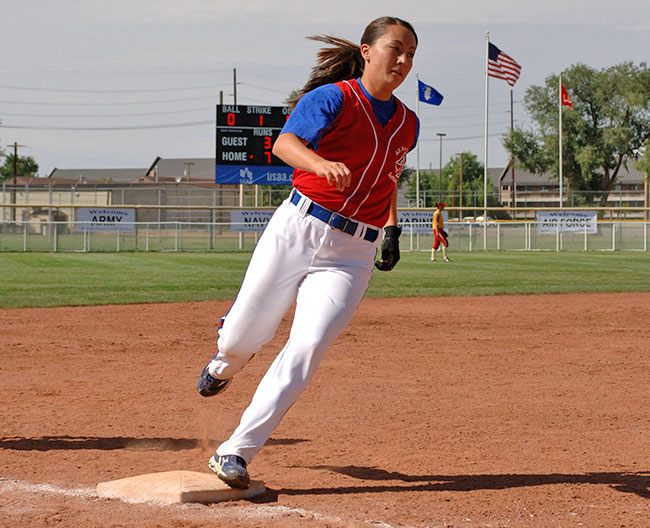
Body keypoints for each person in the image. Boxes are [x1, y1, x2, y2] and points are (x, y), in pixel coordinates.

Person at [196, 16, 419, 489]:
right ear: (367, 51)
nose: (403, 60)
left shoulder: (408, 122)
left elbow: (389, 177)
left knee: (308, 347)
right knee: (241, 338)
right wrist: (319, 162)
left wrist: (392, 228)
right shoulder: (334, 98)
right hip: (299, 226)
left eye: (411, 54)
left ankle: (235, 450)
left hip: (352, 253)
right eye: (396, 49)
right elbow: (284, 144)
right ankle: (223, 364)